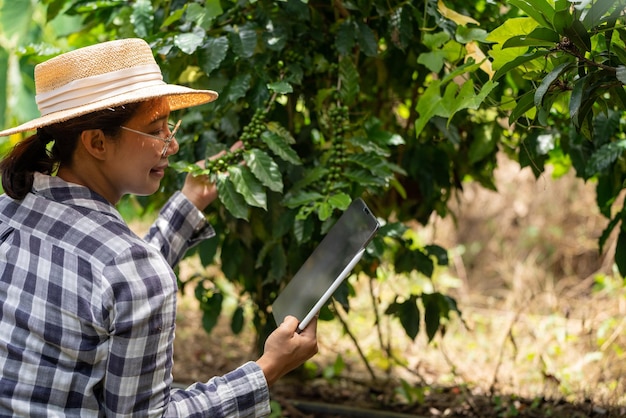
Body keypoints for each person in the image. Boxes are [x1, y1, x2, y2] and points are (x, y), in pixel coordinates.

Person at [0, 38, 318, 417]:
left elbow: (107, 281)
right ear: (97, 142)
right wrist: (268, 370)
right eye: (155, 131)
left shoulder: (11, 210)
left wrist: (190, 203)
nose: (173, 144)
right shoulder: (129, 270)